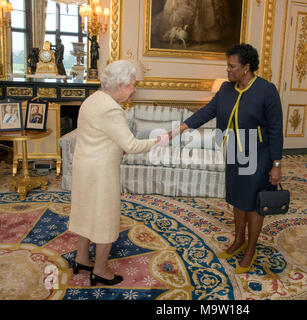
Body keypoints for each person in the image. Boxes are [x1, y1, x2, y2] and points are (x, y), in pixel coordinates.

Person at [166, 43, 283, 273]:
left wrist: (276, 164)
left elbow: (276, 128)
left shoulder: (266, 90)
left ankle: (251, 248)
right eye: (227, 66)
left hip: (258, 154)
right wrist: (178, 130)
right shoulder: (227, 90)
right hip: (235, 152)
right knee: (237, 198)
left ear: (247, 67)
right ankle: (239, 240)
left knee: (253, 204)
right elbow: (207, 112)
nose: (227, 71)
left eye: (232, 66)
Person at [68, 60, 162, 286]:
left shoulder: (92, 100)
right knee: (104, 218)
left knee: (86, 213)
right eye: (132, 84)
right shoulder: (111, 109)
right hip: (101, 174)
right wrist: (159, 141)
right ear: (120, 85)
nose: (134, 89)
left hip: (84, 168)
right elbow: (131, 145)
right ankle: (100, 270)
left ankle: (82, 258)